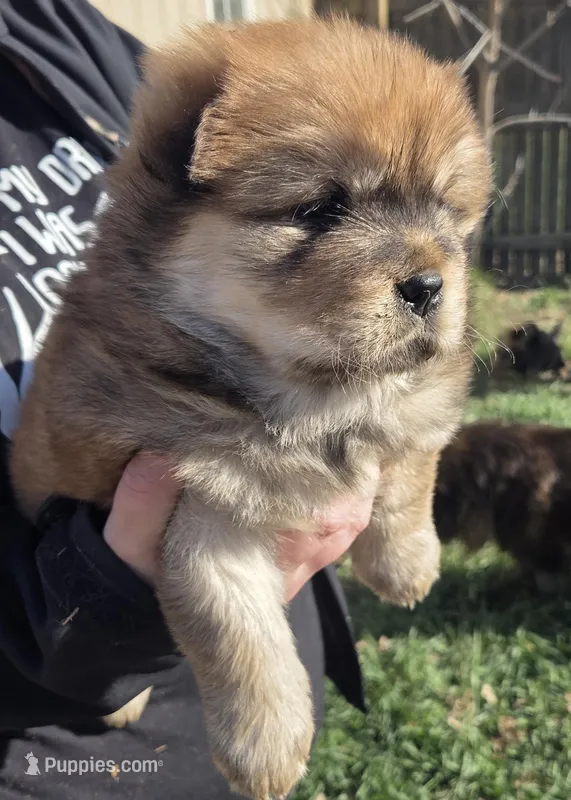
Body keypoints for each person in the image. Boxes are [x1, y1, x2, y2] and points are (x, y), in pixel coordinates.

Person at [0, 1, 370, 797]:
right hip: (61, 758)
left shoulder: (52, 29)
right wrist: (104, 597)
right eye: (317, 209)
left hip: (224, 708)